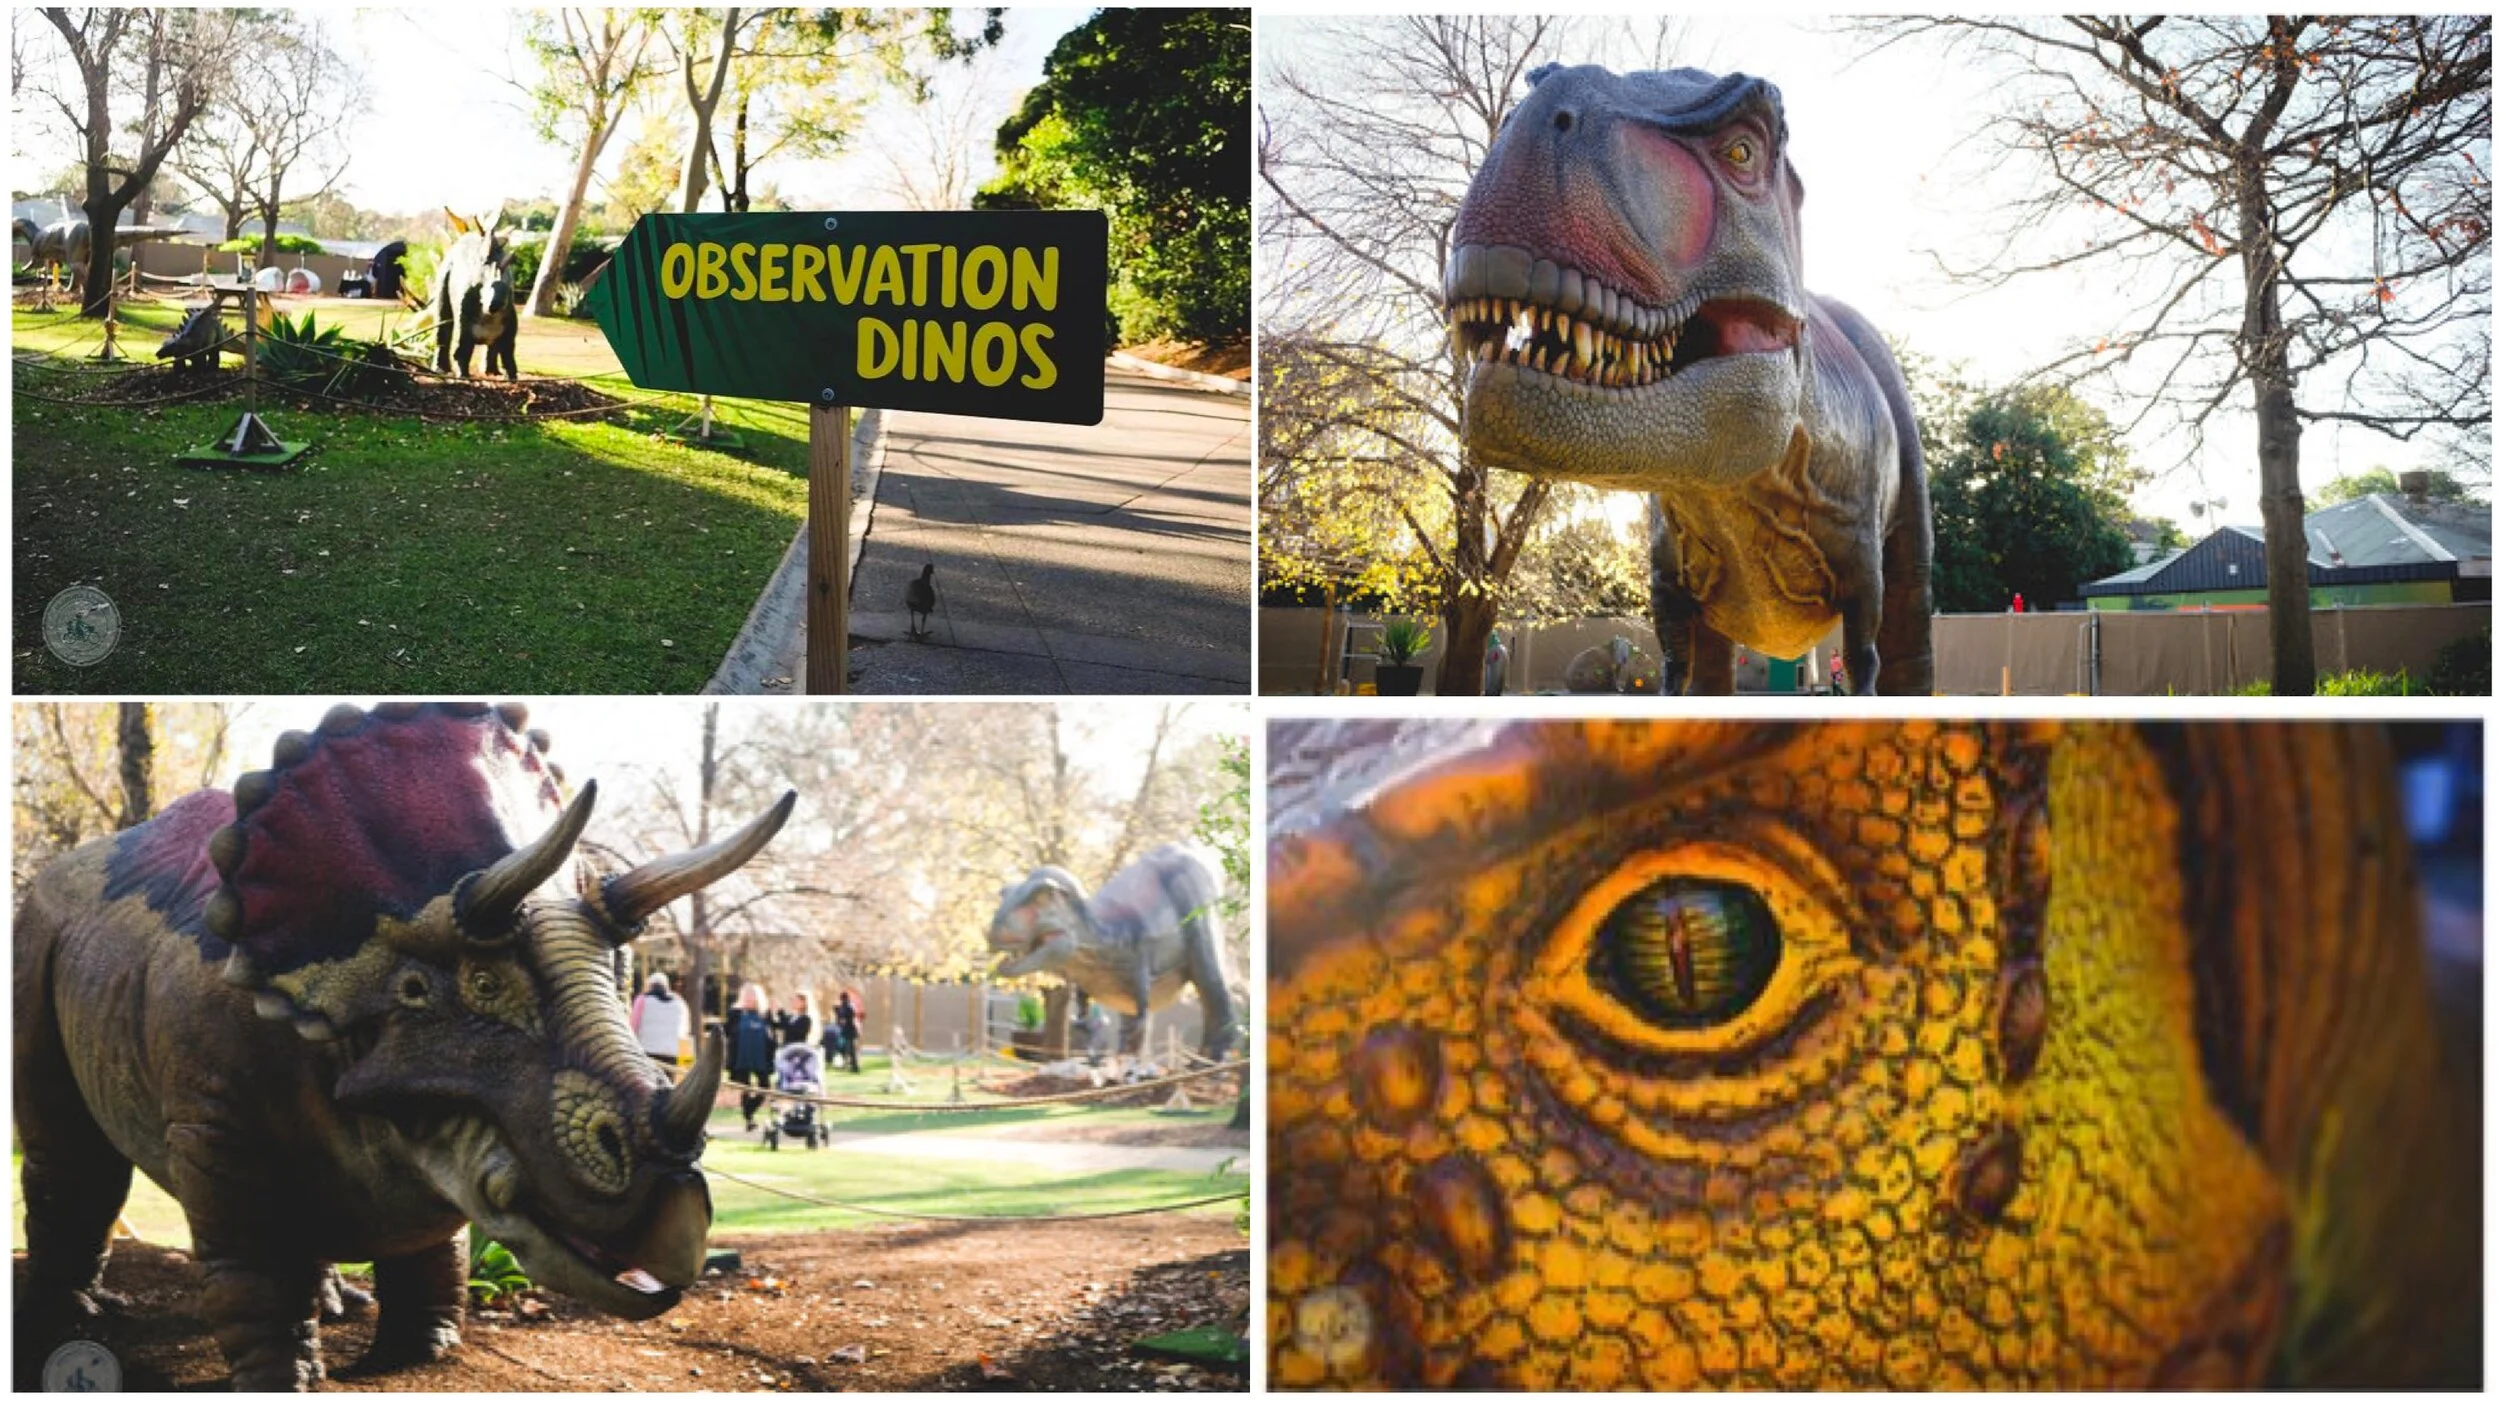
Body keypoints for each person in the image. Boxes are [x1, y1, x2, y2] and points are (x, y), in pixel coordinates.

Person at [725, 983, 778, 1131]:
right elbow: (726, 1032)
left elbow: (774, 1033)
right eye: (747, 995)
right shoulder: (736, 1014)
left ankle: (749, 1111)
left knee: (765, 1087)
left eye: (752, 995)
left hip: (761, 1057)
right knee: (745, 1087)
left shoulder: (765, 1014)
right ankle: (749, 1119)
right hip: (742, 1057)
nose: (749, 998)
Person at [629, 973, 687, 1068]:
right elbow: (684, 1033)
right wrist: (686, 1063)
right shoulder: (680, 1003)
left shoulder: (642, 999)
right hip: (672, 1054)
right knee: (667, 1082)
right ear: (667, 987)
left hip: (647, 1052)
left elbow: (633, 1026)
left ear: (649, 986)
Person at [826, 990, 863, 1074]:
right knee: (848, 1049)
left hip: (846, 1031)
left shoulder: (845, 1007)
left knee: (846, 1048)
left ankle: (851, 1066)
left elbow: (840, 1014)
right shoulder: (847, 1007)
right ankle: (851, 1065)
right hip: (848, 1030)